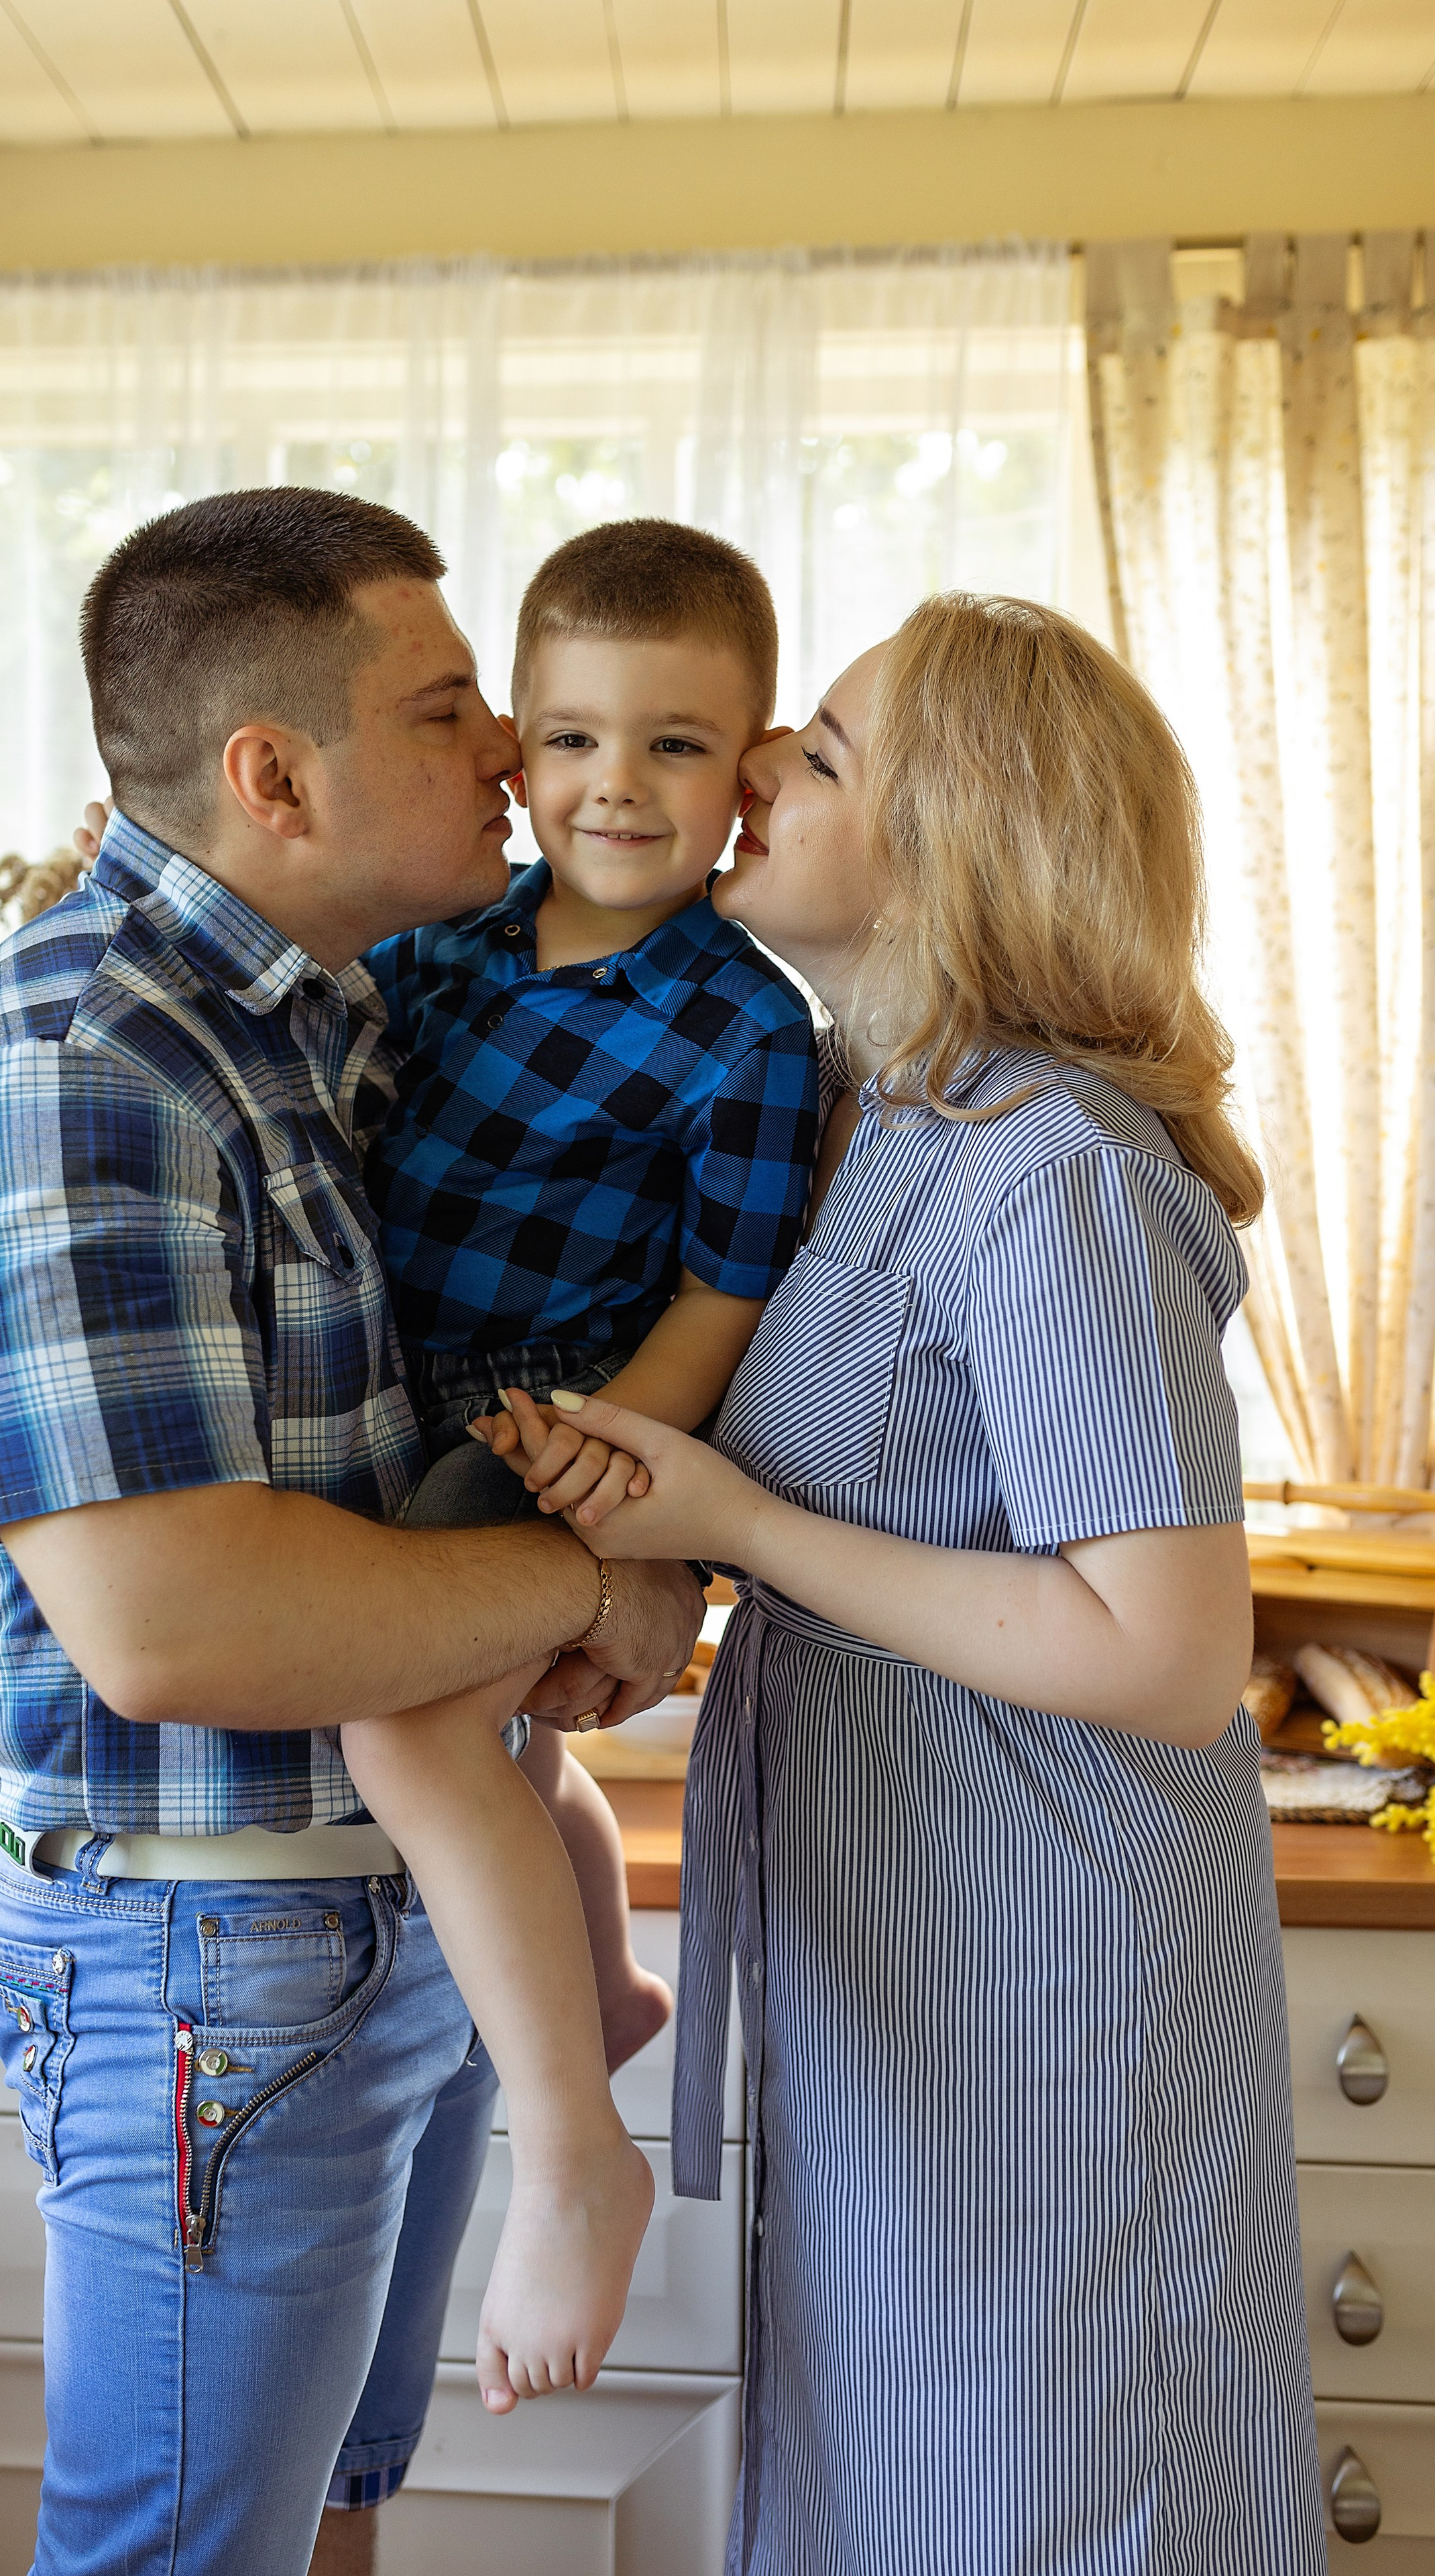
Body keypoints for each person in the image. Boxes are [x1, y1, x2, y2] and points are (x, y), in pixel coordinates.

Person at [0, 487, 703, 2576]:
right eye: (449, 711)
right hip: (206, 1954)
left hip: (356, 1916)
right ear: (272, 775)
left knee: (330, 2521)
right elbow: (178, 1621)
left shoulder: (312, 1027)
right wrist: (601, 1584)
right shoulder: (77, 1065)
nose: (512, 747)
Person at [486, 595, 1326, 2573]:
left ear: (962, 835)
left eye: (827, 752)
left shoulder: (1051, 1168)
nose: (758, 766)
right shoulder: (896, 1129)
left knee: (1047, 2497)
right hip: (910, 1979)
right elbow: (922, 1514)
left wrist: (739, 1530)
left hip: (1050, 1997)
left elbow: (1169, 1647)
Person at [337, 521, 820, 2383]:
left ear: (752, 772)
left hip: (549, 1411)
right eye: (575, 738)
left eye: (678, 745)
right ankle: (610, 1982)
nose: (618, 784)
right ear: (515, 753)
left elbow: (723, 1292)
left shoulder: (747, 1023)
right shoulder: (440, 948)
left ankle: (571, 2153)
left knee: (406, 1717)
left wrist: (619, 1479)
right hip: (390, 1389)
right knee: (507, 1740)